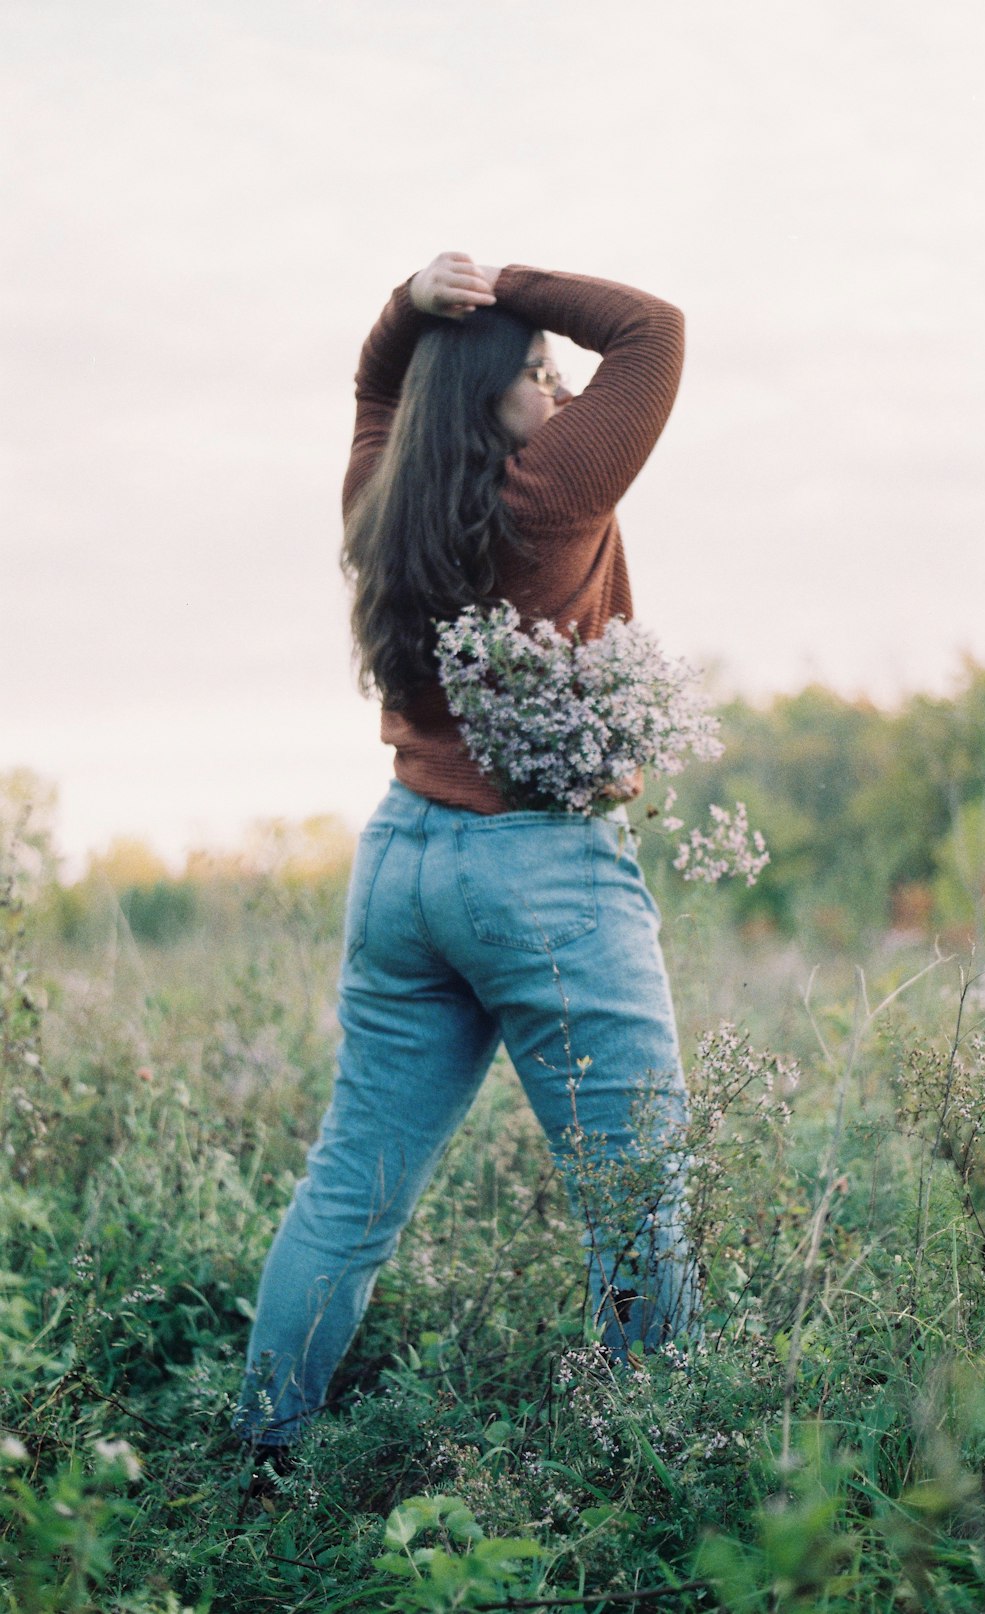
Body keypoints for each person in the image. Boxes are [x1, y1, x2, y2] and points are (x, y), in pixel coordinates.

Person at [233, 252, 698, 1456]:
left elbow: (375, 392)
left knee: (352, 1189)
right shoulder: (545, 497)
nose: (555, 391)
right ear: (490, 402)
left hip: (402, 861)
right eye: (535, 375)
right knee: (639, 1197)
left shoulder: (379, 496)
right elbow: (652, 330)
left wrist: (412, 311)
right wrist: (507, 287)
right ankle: (655, 1472)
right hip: (542, 870)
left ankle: (262, 1451)